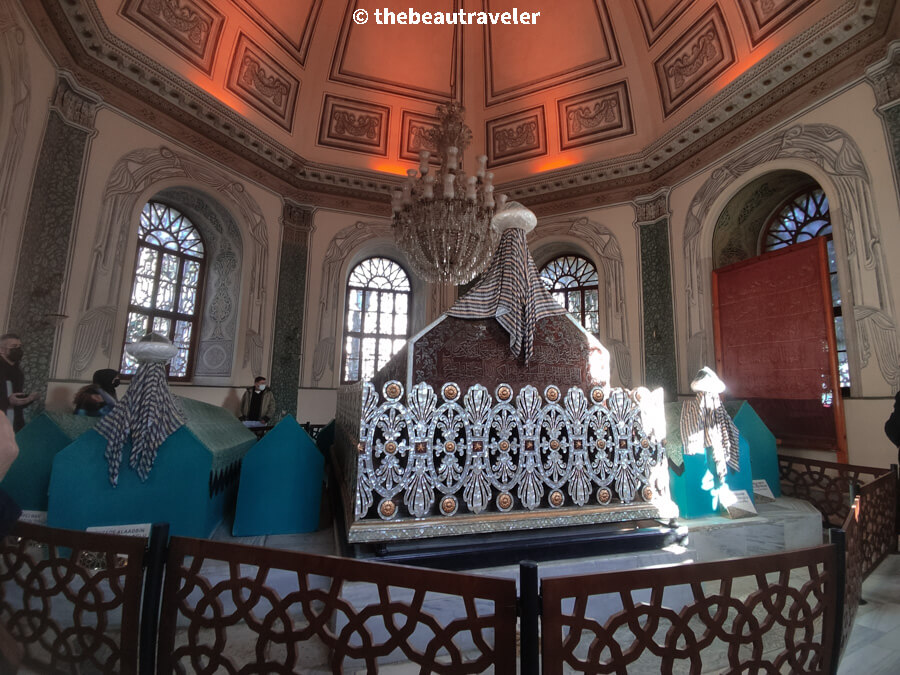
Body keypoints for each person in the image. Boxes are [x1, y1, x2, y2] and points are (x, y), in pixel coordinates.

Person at [0, 332, 37, 431]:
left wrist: (27, 399)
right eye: (13, 346)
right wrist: (8, 401)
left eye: (19, 346)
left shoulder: (18, 371)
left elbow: (15, 398)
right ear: (1, 350)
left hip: (14, 422)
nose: (18, 349)